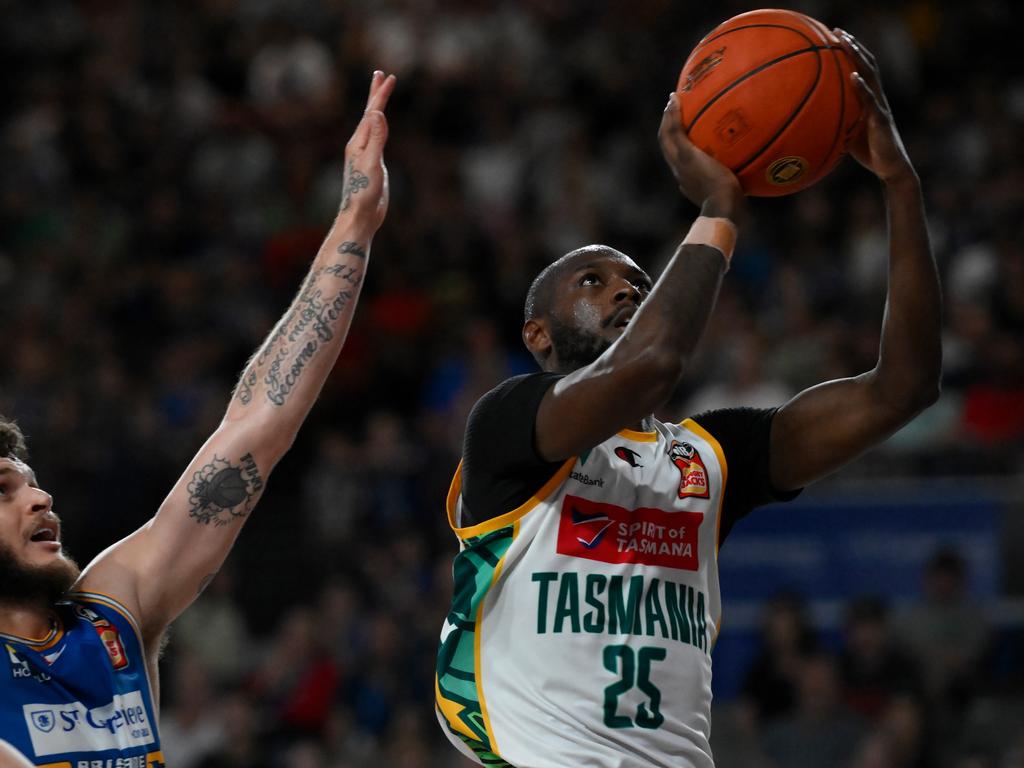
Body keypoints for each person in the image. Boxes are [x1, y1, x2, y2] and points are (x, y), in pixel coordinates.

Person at [435, 31, 941, 768]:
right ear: (537, 335)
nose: (627, 289)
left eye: (636, 281)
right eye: (594, 282)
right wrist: (720, 206)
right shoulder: (507, 426)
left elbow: (903, 389)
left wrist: (901, 186)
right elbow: (653, 365)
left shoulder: (708, 457)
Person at [0, 71, 396, 766]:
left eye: (28, 480)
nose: (38, 495)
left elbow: (256, 426)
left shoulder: (111, 611)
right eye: (3, 490)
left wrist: (354, 223)